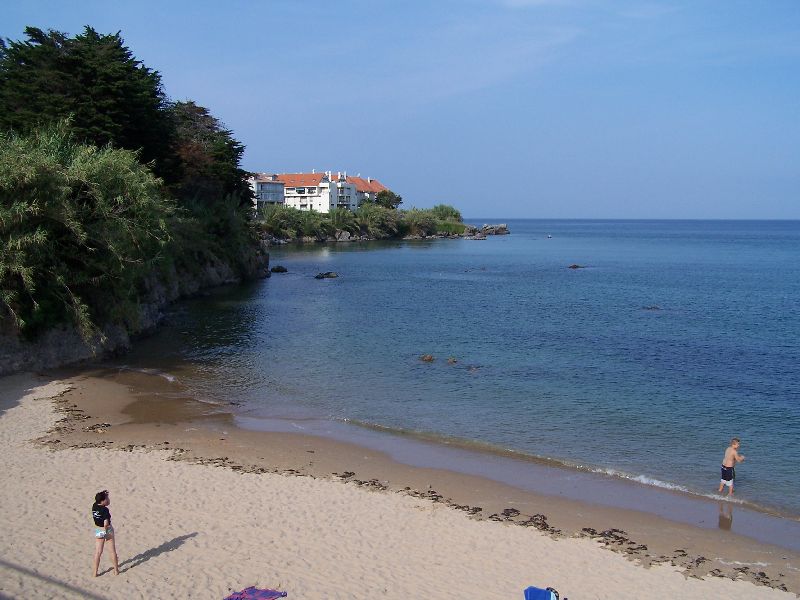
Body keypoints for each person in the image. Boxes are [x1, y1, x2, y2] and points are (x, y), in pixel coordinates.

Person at [91, 490, 119, 577]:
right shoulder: (105, 510)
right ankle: (116, 570)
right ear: (103, 501)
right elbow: (106, 522)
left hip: (98, 530)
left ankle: (95, 572)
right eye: (107, 498)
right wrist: (106, 529)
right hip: (106, 530)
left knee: (98, 552)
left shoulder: (94, 506)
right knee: (112, 551)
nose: (108, 500)